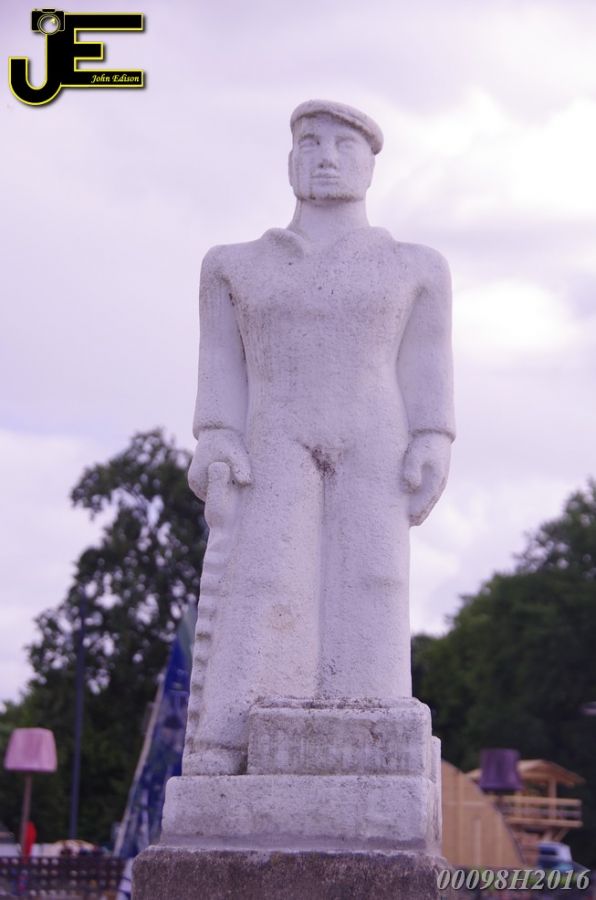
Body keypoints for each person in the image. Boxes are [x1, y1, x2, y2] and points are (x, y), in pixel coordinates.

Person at [183, 100, 455, 776]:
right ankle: (229, 734)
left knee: (376, 576)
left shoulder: (415, 267)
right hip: (275, 430)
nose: (326, 157)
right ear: (289, 160)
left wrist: (433, 434)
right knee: (263, 576)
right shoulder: (235, 266)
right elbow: (219, 363)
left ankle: (370, 724)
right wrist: (215, 435)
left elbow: (426, 357)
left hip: (376, 432)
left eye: (343, 144)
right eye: (310, 142)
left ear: (370, 165)